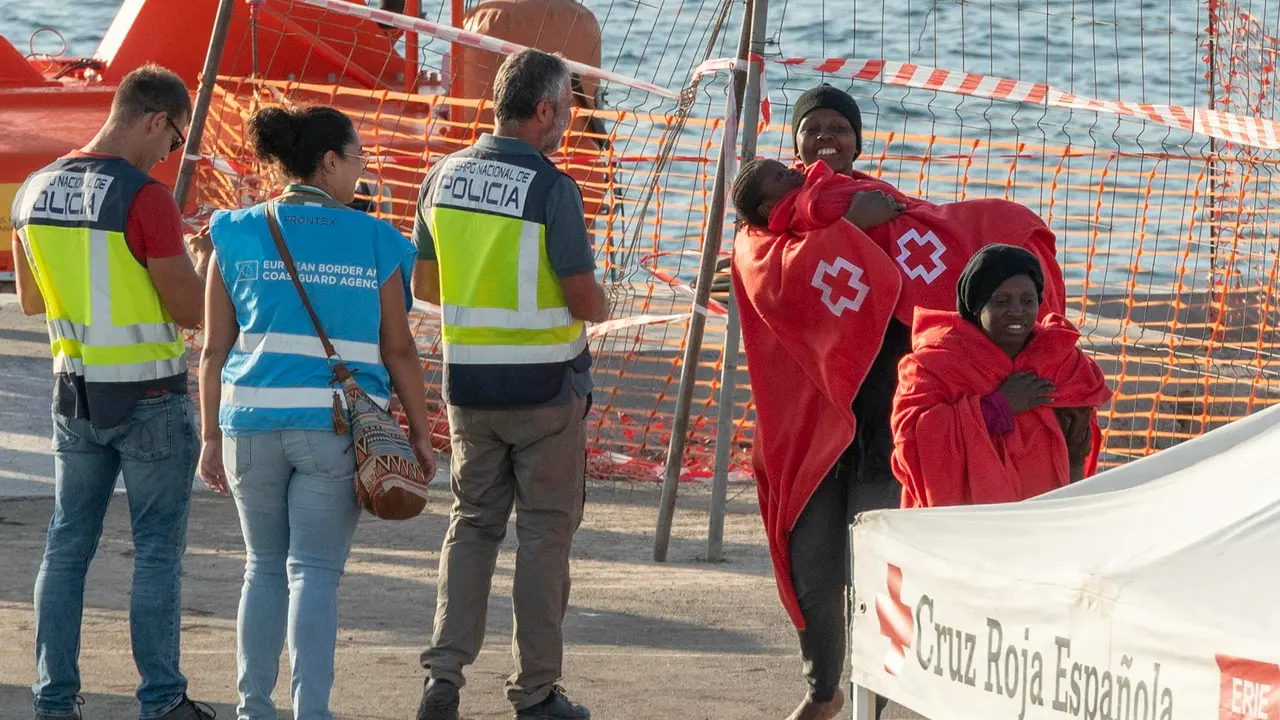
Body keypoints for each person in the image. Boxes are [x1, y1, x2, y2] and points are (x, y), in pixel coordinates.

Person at [198, 105, 438, 720]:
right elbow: (399, 347)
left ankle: (254, 707)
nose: (361, 170)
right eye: (357, 157)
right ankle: (312, 712)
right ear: (329, 162)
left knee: (262, 568)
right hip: (333, 431)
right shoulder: (378, 240)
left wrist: (207, 438)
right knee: (313, 573)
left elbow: (213, 348)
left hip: (247, 426)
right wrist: (418, 429)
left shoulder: (233, 230)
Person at [10, 64, 215, 720]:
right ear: (156, 119)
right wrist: (205, 263)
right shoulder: (145, 197)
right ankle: (161, 701)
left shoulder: (33, 191)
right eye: (176, 140)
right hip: (151, 398)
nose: (170, 153)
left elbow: (34, 303)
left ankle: (53, 700)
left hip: (76, 396)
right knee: (156, 549)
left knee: (67, 544)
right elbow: (190, 311)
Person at [411, 49, 607, 720]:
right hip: (547, 390)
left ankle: (443, 676)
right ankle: (535, 692)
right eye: (568, 110)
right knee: (545, 538)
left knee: (471, 527)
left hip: (469, 387)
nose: (570, 124)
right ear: (544, 109)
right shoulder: (552, 187)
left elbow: (427, 286)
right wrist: (605, 304)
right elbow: (583, 298)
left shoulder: (441, 176)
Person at [892, 245, 1112, 508]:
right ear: (976, 306)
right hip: (966, 524)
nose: (1017, 311)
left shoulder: (1062, 362)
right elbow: (914, 441)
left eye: (1028, 300)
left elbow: (1078, 451)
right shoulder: (933, 364)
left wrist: (1069, 513)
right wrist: (998, 408)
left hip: (1045, 518)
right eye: (1001, 301)